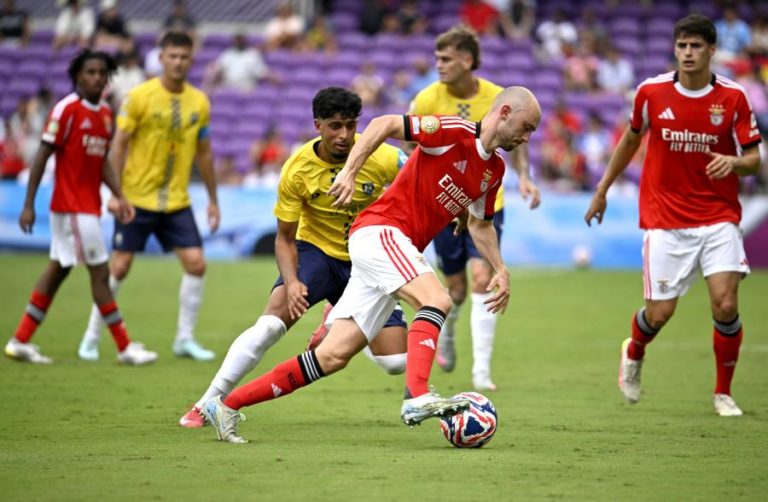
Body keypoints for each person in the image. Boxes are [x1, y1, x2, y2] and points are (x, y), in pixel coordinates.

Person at [200, 87, 542, 443]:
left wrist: (500, 268)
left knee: (332, 356)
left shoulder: (495, 170)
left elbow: (480, 224)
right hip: (381, 231)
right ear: (503, 112)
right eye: (526, 126)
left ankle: (224, 405)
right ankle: (417, 397)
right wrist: (350, 170)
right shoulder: (453, 131)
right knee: (437, 300)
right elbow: (385, 123)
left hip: (391, 247)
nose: (527, 136)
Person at [178, 87, 409, 428]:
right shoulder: (297, 169)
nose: (343, 135)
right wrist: (292, 281)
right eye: (334, 126)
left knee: (395, 362)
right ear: (317, 124)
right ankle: (204, 403)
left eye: (349, 125)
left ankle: (339, 320)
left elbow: (418, 188)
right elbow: (284, 238)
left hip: (368, 259)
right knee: (270, 325)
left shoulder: (384, 157)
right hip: (316, 253)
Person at [584, 15, 761, 417]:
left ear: (712, 51)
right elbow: (630, 140)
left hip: (718, 216)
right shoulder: (651, 92)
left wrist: (734, 163)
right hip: (665, 217)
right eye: (682, 46)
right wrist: (602, 189)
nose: (688, 53)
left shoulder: (733, 98)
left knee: (726, 305)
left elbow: (754, 159)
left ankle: (722, 392)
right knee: (660, 313)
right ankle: (634, 350)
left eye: (696, 46)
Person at [407, 25, 540, 391]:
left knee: (483, 278)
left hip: (486, 202)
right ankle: (448, 332)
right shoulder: (426, 99)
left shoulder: (500, 98)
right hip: (446, 206)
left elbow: (518, 138)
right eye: (436, 58)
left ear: (467, 60)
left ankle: (481, 370)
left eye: (446, 58)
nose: (439, 64)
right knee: (456, 288)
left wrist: (525, 177)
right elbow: (408, 144)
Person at [4, 50, 157, 366]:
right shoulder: (66, 110)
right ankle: (125, 347)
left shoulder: (104, 114)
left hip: (88, 207)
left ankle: (19, 340)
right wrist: (29, 204)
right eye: (90, 72)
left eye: (102, 72)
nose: (97, 77)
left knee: (58, 270)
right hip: (72, 208)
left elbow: (101, 163)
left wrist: (119, 196)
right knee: (100, 274)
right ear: (77, 76)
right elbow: (42, 157)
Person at [78, 32, 220, 362]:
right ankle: (91, 337)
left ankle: (184, 339)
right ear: (160, 58)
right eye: (172, 56)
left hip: (176, 201)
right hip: (136, 198)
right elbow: (119, 144)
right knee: (120, 266)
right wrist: (115, 194)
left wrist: (213, 200)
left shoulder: (199, 101)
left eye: (184, 57)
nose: (178, 62)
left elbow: (206, 153)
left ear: (191, 59)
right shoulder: (139, 97)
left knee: (197, 264)